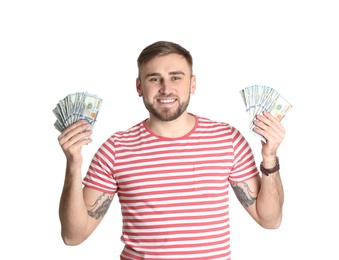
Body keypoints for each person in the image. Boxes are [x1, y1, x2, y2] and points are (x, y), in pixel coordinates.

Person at [58, 41, 285, 260]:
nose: (166, 89)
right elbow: (73, 236)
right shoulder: (116, 149)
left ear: (192, 84)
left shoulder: (228, 140)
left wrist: (269, 158)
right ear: (139, 86)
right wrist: (73, 164)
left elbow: (270, 220)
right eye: (155, 79)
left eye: (176, 77)